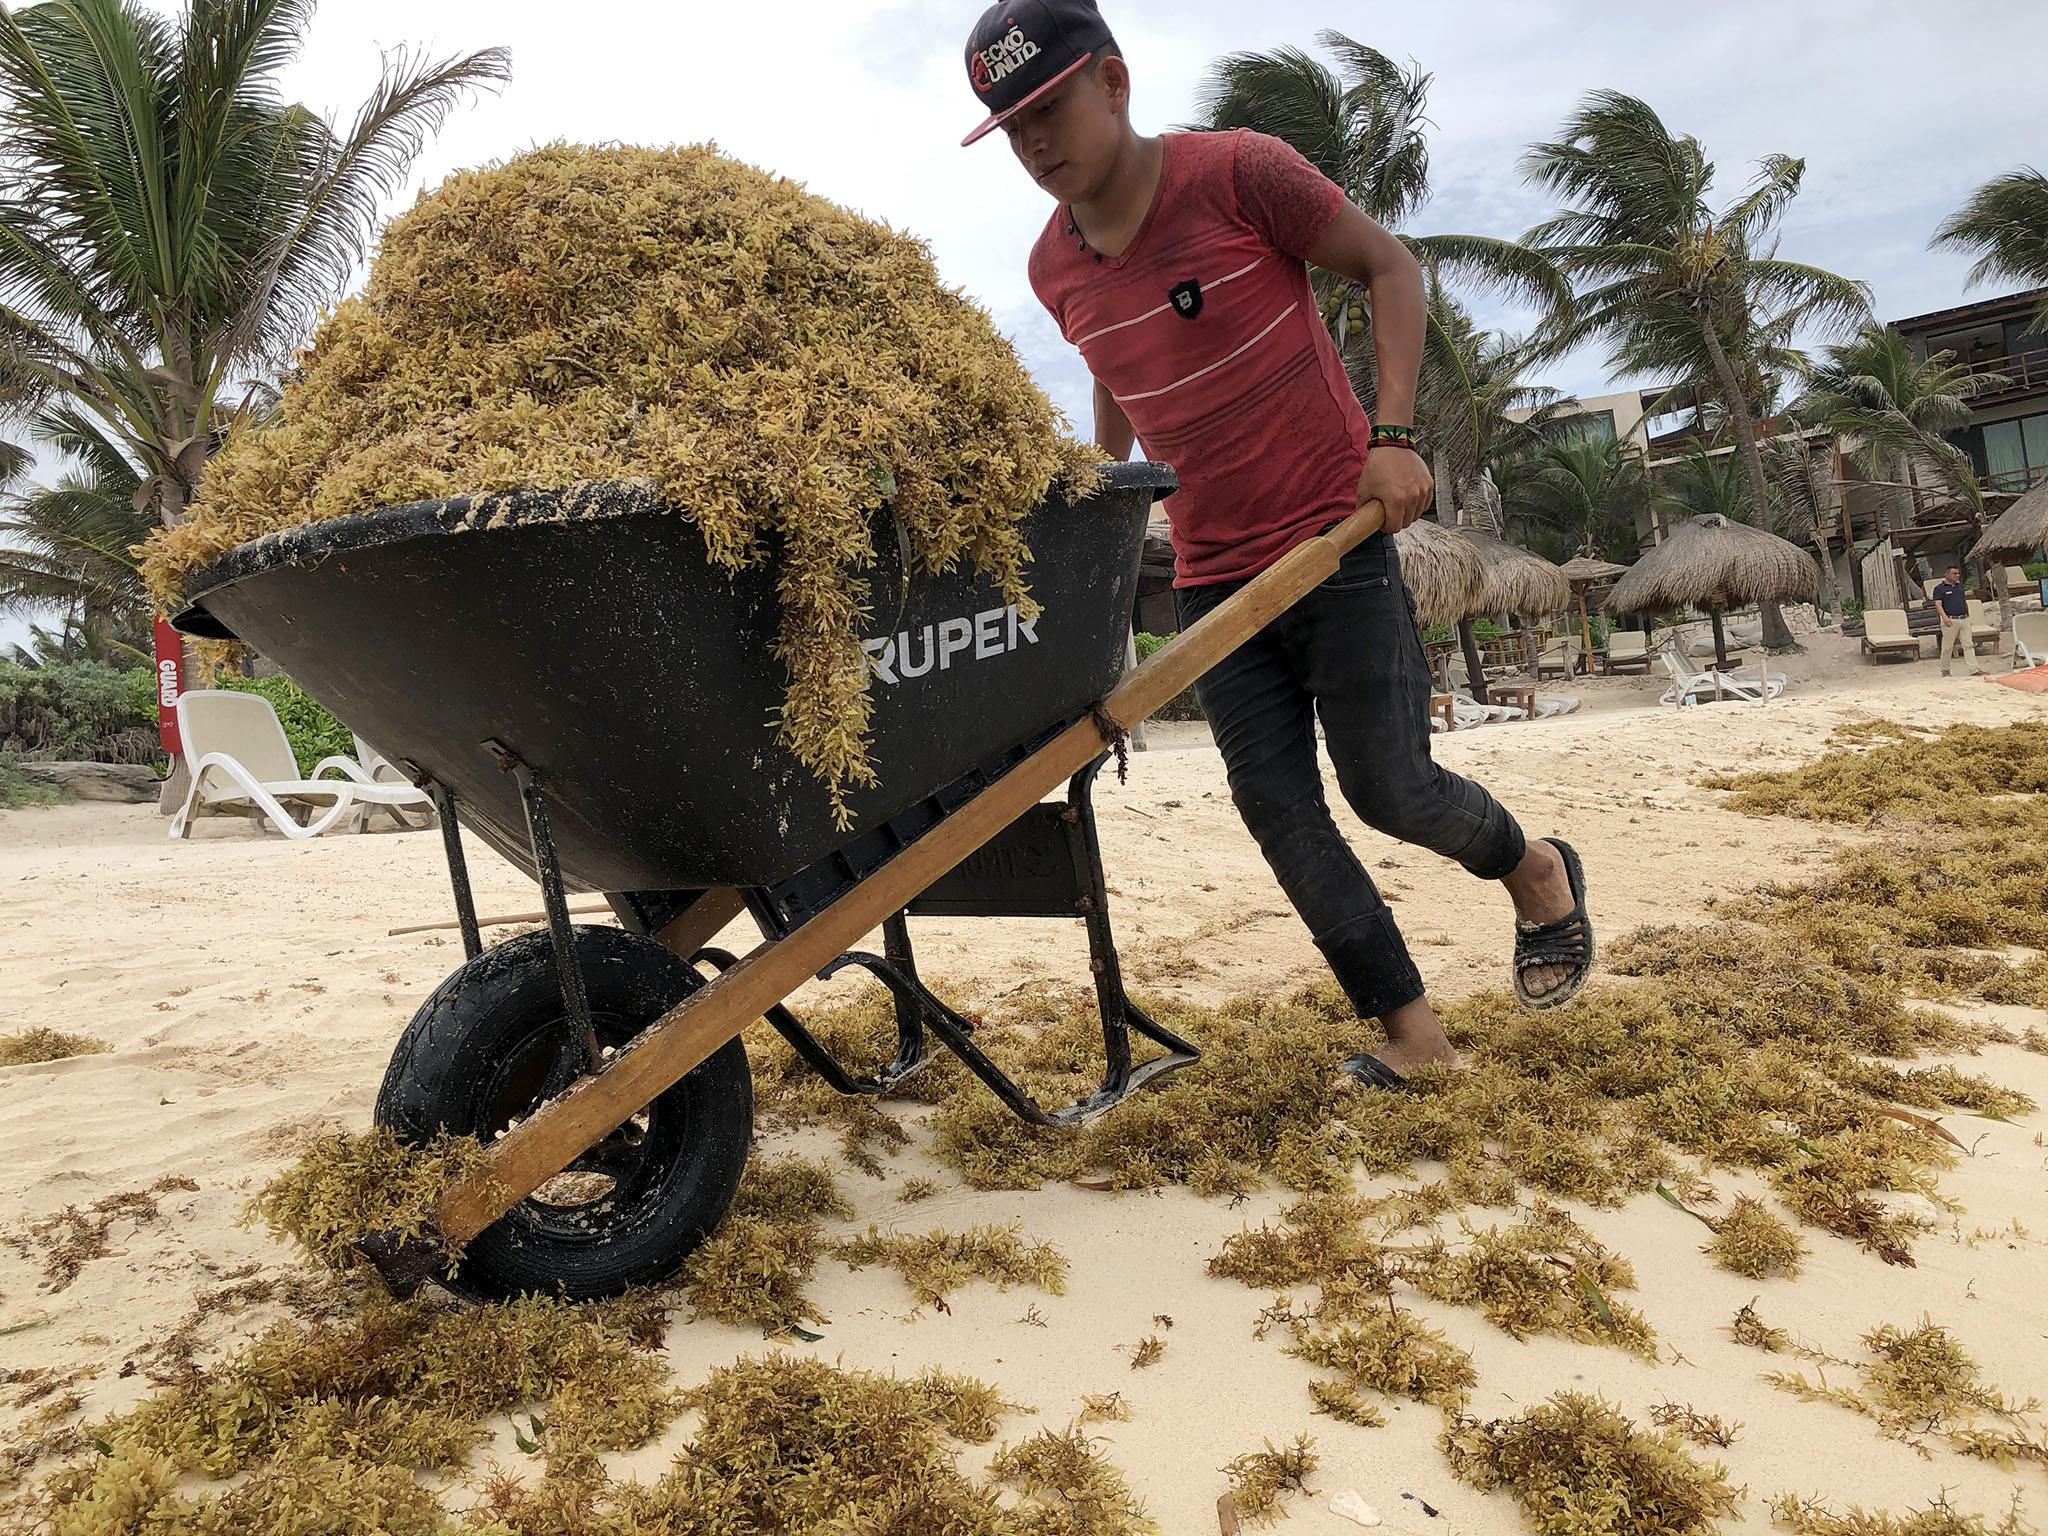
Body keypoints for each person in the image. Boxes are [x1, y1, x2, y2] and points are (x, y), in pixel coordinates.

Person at [958, 0, 1593, 1090]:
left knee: (1386, 786)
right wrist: (1118, 495)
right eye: (1011, 130)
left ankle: (1534, 871)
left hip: (1328, 542)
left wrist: (1390, 438)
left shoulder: (1240, 174)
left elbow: (1390, 267)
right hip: (1211, 580)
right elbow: (1113, 362)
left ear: (1110, 83)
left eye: (1048, 109)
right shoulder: (1049, 268)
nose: (1036, 144)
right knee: (1276, 809)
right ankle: (1412, 1034)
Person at [1929, 565, 1980, 678]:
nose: (1957, 575)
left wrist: (1968, 614)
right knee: (1947, 646)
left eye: (1958, 573)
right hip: (1951, 620)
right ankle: (1945, 670)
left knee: (1968, 645)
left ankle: (1974, 669)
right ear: (1947, 575)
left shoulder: (1959, 587)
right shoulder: (1939, 589)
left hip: (1964, 618)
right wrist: (1944, 617)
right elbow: (1938, 604)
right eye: (1954, 573)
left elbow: (1963, 600)